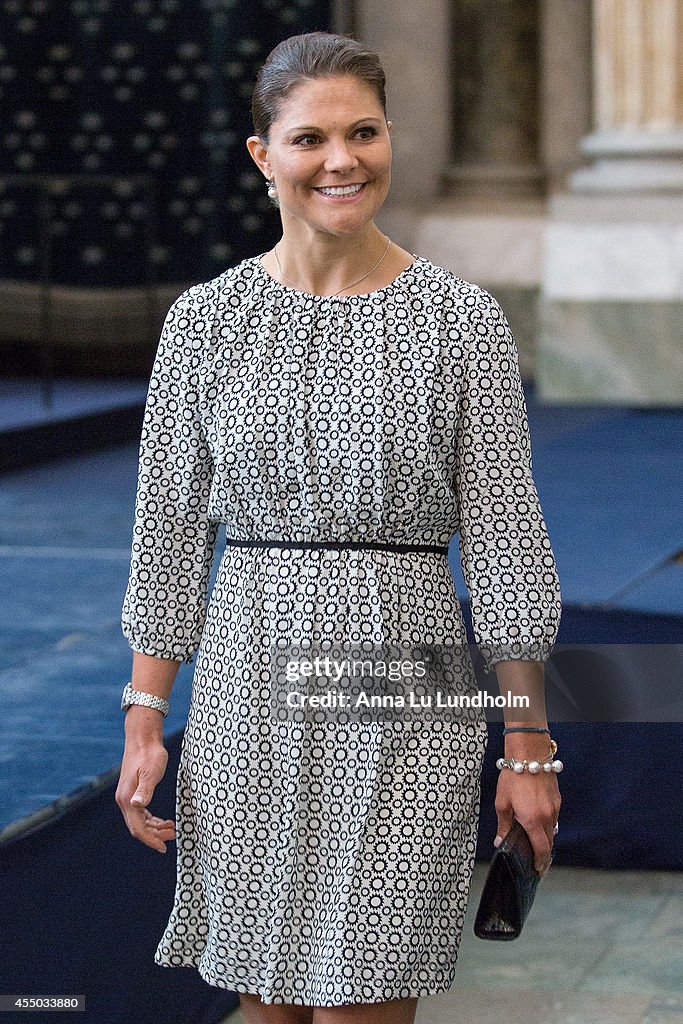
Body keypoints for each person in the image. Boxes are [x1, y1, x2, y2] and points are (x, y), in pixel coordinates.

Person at [116, 30, 562, 1024]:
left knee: (366, 996)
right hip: (246, 675)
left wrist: (525, 745)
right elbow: (168, 530)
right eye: (310, 137)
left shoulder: (461, 321)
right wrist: (145, 714)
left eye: (362, 132)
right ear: (262, 155)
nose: (340, 160)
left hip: (406, 676)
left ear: (388, 138)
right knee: (267, 1006)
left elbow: (503, 542)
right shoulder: (203, 320)